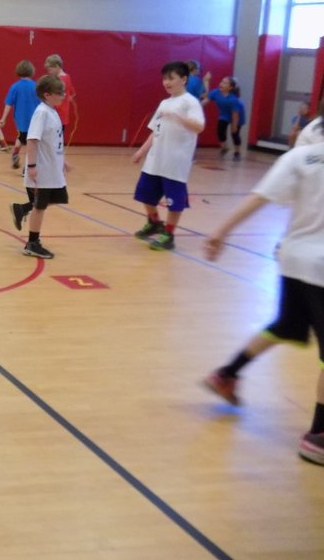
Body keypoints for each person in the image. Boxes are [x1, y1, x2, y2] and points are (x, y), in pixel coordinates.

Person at [201, 124, 324, 465]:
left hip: (294, 258)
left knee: (286, 326)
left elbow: (261, 196)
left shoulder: (302, 155)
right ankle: (319, 436)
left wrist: (221, 231)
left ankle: (227, 374)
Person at [131, 60, 205, 251]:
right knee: (145, 195)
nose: (166, 82)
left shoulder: (190, 102)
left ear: (184, 79)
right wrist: (142, 151)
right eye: (164, 78)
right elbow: (155, 131)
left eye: (171, 78)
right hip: (155, 160)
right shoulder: (164, 103)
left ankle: (169, 233)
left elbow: (199, 126)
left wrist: (180, 118)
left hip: (175, 162)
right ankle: (155, 222)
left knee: (174, 202)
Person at [8, 74, 69, 260]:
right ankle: (32, 243)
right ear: (47, 94)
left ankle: (23, 208)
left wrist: (62, 161)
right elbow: (32, 140)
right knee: (40, 206)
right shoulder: (42, 112)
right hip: (42, 170)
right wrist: (32, 166)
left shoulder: (52, 112)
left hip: (53, 168)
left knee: (59, 197)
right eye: (60, 93)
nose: (63, 95)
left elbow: (53, 141)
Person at [0, 60, 38, 170]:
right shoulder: (36, 86)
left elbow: (8, 103)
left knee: (21, 137)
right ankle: (27, 168)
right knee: (32, 143)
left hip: (20, 119)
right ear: (31, 71)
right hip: (34, 119)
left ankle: (15, 153)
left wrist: (3, 118)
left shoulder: (15, 87)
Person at [203, 74, 246, 160]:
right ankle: (224, 148)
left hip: (238, 116)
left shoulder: (233, 99)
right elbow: (205, 101)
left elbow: (235, 114)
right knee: (220, 131)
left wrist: (234, 125)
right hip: (225, 115)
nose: (221, 84)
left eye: (225, 83)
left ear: (230, 88)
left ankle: (237, 152)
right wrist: (196, 107)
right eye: (222, 82)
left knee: (235, 134)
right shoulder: (215, 92)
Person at [44, 54, 76, 139]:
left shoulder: (59, 80)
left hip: (58, 114)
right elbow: (73, 93)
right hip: (62, 114)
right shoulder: (67, 77)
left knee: (54, 139)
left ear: (57, 66)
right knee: (58, 139)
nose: (49, 71)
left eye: (50, 69)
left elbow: (55, 97)